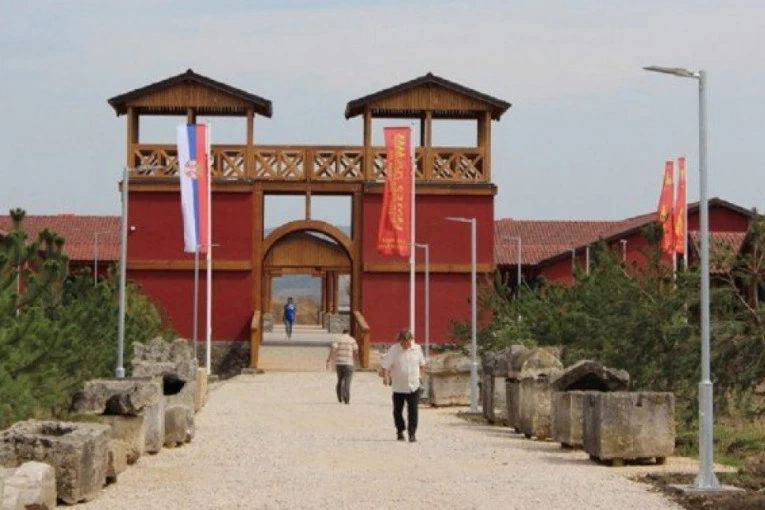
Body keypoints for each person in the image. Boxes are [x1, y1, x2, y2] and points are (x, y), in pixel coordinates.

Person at [381, 328, 426, 442]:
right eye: (403, 342)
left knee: (413, 411)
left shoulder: (417, 349)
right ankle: (400, 430)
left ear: (411, 340)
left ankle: (412, 434)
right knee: (397, 411)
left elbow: (422, 364)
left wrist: (421, 376)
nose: (406, 344)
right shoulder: (394, 350)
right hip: (399, 386)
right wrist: (386, 377)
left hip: (413, 385)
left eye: (408, 342)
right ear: (400, 340)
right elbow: (386, 365)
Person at [326, 329, 359, 404]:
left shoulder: (338, 339)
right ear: (348, 333)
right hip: (349, 363)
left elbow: (333, 349)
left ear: (342, 333)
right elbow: (356, 350)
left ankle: (339, 397)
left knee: (340, 380)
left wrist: (329, 359)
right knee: (347, 382)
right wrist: (355, 358)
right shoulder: (352, 340)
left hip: (339, 363)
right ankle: (346, 398)